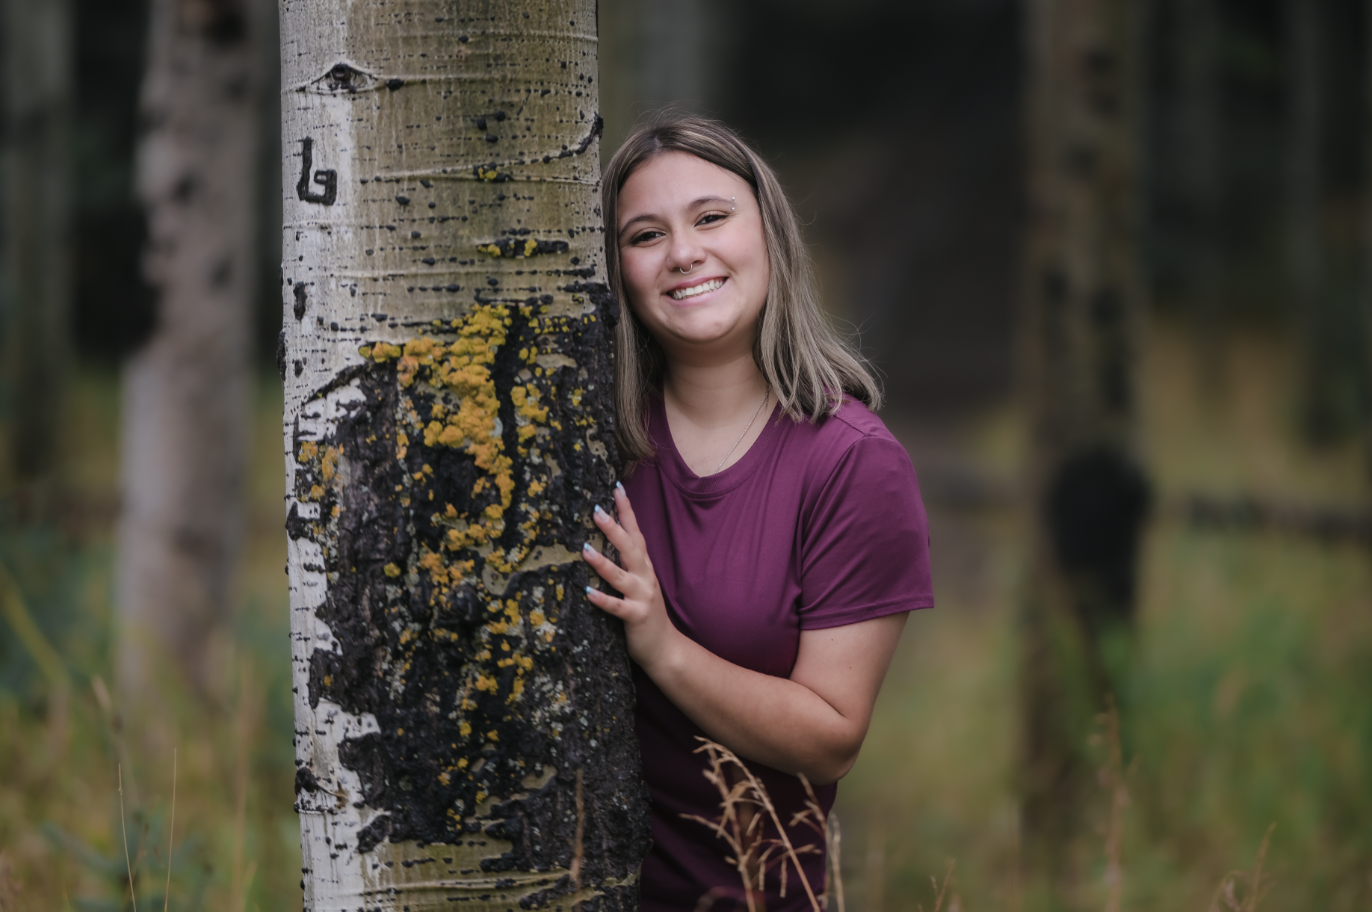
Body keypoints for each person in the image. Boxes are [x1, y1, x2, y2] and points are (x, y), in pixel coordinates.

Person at [579, 114, 934, 911]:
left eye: (711, 217)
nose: (683, 253)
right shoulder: (579, 441)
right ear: (617, 272)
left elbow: (831, 736)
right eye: (645, 235)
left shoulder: (850, 463)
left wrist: (662, 646)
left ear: (769, 234)